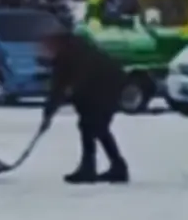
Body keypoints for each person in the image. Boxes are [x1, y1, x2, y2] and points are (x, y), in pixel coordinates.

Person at [39, 31, 130, 184]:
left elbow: (62, 86)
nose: (45, 51)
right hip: (105, 88)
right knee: (96, 128)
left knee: (91, 126)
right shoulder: (73, 51)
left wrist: (50, 112)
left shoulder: (69, 55)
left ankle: (91, 169)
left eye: (47, 47)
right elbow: (61, 87)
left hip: (104, 89)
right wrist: (49, 111)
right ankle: (115, 167)